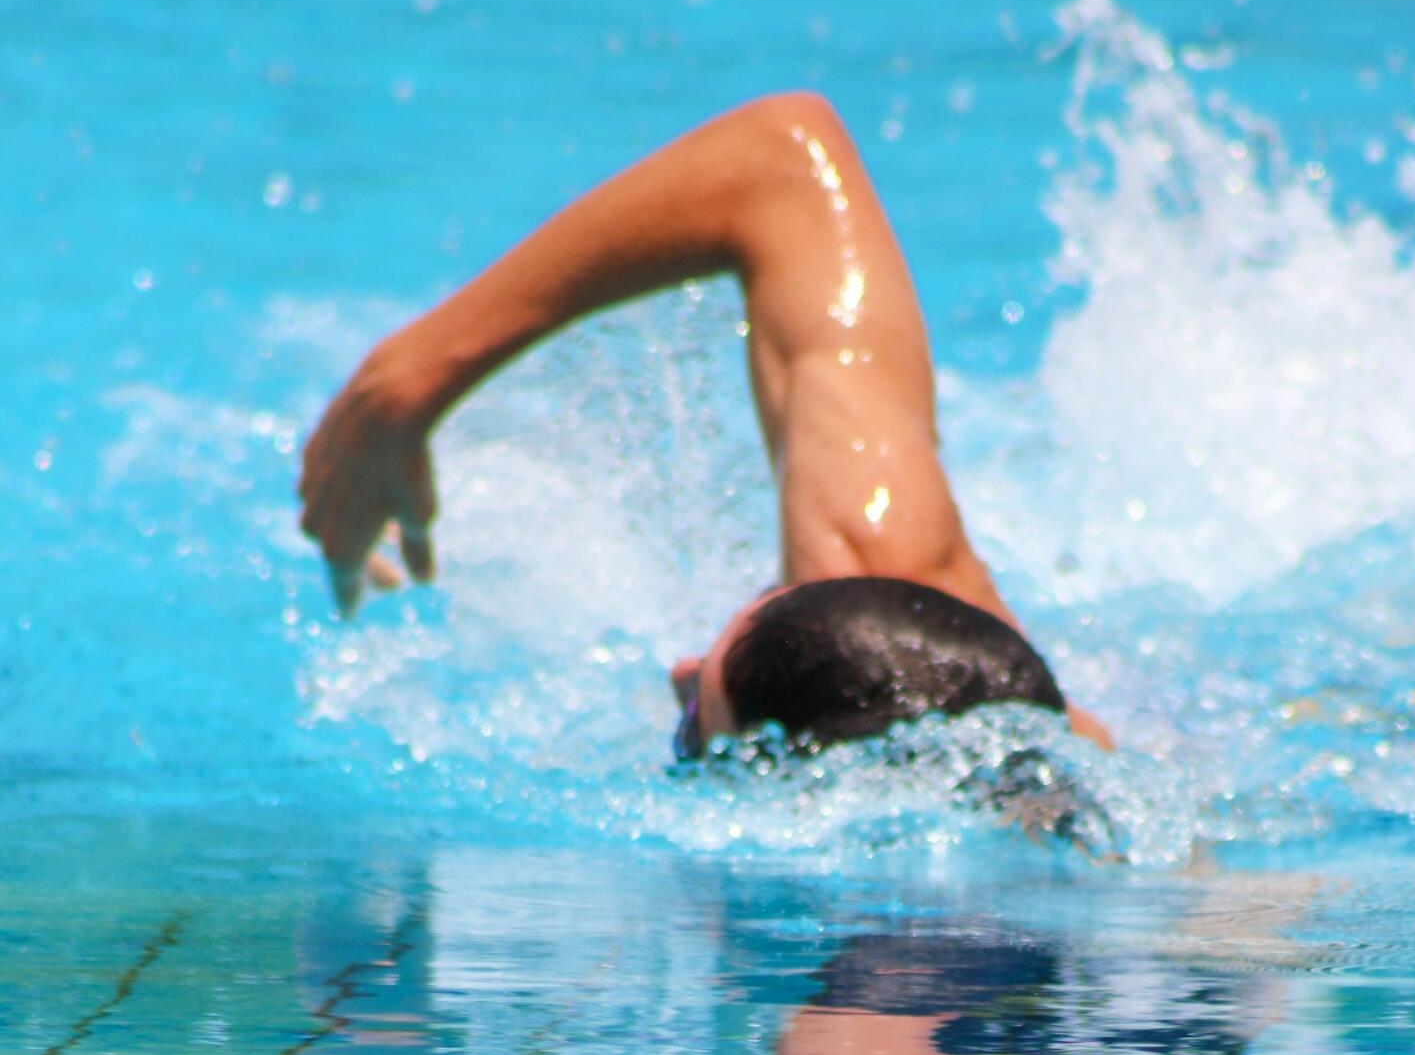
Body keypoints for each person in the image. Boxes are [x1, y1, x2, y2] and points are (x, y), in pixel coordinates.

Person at [299, 93, 1112, 758]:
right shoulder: (885, 581)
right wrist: (405, 382)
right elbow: (782, 161)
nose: (678, 671)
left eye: (699, 728)